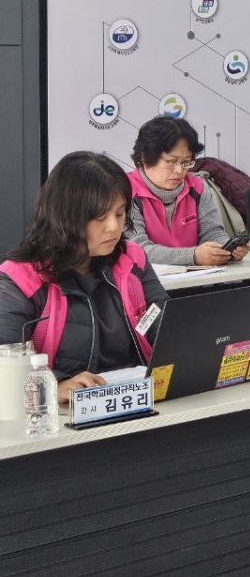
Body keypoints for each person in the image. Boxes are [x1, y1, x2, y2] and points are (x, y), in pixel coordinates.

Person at [0, 152, 167, 404]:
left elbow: (164, 325)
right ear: (66, 217)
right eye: (100, 217)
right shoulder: (21, 279)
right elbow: (6, 365)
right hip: (63, 415)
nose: (113, 227)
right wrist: (57, 385)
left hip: (138, 401)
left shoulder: (132, 259)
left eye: (120, 213)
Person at [127, 116, 249, 266]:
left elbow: (212, 233)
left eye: (186, 162)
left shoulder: (197, 187)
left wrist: (227, 249)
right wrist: (193, 256)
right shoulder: (125, 191)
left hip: (196, 277)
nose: (180, 171)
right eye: (171, 161)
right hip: (146, 279)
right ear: (145, 158)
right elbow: (137, 250)